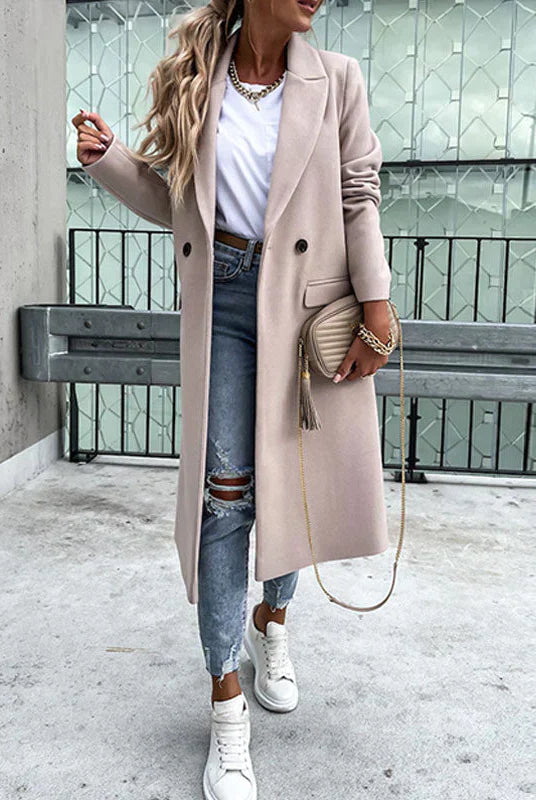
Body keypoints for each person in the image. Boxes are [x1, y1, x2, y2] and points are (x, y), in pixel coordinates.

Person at [72, 1, 393, 798]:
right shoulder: (196, 77)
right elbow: (177, 201)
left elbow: (358, 193)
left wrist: (378, 304)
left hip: (305, 306)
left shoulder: (338, 79)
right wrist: (111, 160)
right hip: (221, 301)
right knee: (225, 499)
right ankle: (225, 706)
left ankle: (269, 624)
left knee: (294, 481)